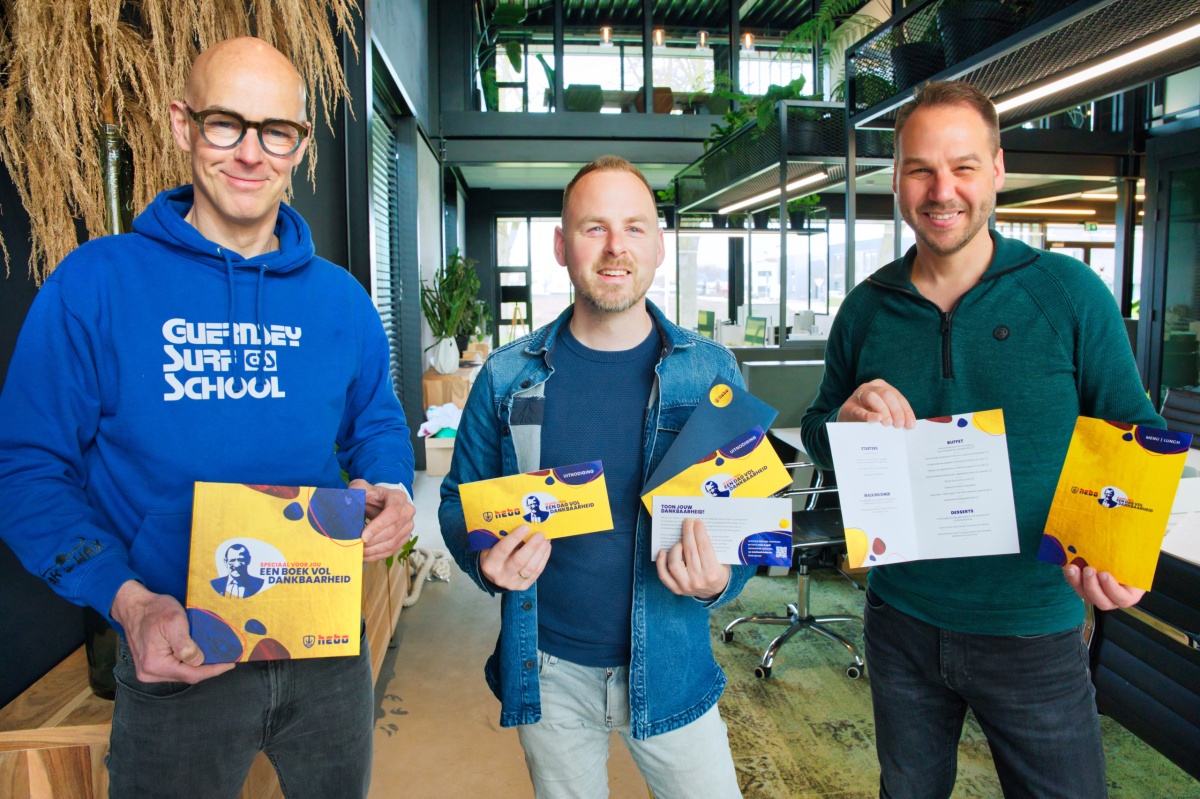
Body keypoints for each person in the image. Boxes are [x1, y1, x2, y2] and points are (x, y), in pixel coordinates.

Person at [0, 37, 416, 798]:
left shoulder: (342, 300)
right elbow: (27, 472)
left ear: (299, 145)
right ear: (182, 124)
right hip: (177, 651)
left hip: (325, 643)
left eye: (275, 131)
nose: (251, 153)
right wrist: (126, 599)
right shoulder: (94, 284)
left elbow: (377, 424)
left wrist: (390, 486)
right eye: (226, 123)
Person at [800, 81, 1160, 799]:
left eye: (963, 167)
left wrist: (1126, 553)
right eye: (921, 169)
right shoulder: (866, 308)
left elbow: (1134, 433)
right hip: (900, 619)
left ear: (996, 169)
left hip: (1033, 625)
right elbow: (816, 430)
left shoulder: (1068, 293)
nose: (943, 191)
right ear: (896, 177)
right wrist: (842, 424)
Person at [440, 155, 751, 799]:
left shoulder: (710, 372)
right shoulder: (506, 376)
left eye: (635, 228)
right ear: (561, 246)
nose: (616, 247)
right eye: (594, 228)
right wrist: (484, 560)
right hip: (548, 668)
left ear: (659, 245)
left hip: (673, 663)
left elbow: (749, 518)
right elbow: (455, 501)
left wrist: (721, 580)